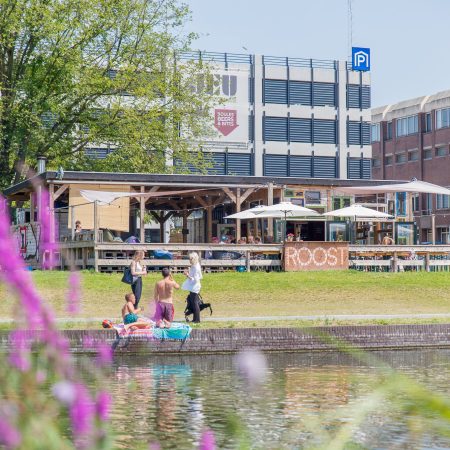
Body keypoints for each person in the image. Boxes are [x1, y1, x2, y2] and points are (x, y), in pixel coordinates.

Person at [182, 252, 203, 323]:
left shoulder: (196, 267)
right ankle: (195, 319)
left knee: (195, 303)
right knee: (193, 302)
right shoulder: (195, 265)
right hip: (193, 287)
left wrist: (187, 275)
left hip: (195, 287)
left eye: (190, 259)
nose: (189, 260)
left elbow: (195, 280)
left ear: (193, 259)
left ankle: (197, 320)